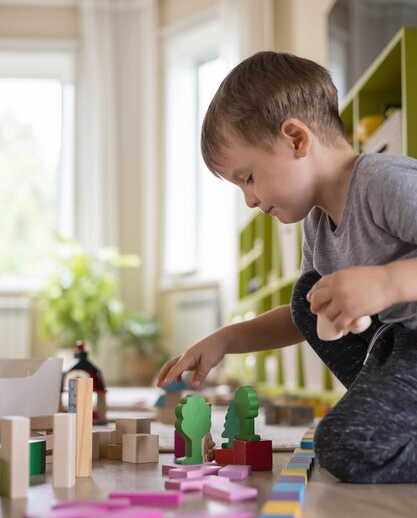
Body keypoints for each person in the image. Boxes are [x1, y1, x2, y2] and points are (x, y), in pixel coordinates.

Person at [157, 51, 417, 484]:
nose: (251, 200)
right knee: (308, 294)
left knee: (343, 445)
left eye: (248, 178)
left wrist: (389, 282)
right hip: (400, 347)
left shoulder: (384, 182)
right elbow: (304, 318)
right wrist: (226, 339)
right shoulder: (317, 223)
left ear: (296, 139)